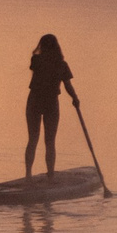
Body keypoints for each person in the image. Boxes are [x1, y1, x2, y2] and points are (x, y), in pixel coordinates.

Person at [23, 34, 76, 177]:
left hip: (36, 101)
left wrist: (75, 98)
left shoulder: (36, 60)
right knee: (49, 141)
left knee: (33, 139)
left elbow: (66, 84)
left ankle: (29, 174)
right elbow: (68, 85)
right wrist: (75, 98)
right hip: (49, 102)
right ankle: (50, 175)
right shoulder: (61, 64)